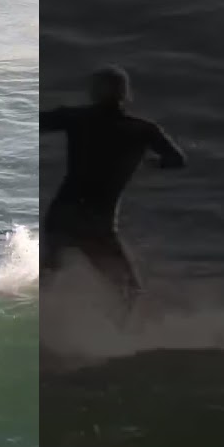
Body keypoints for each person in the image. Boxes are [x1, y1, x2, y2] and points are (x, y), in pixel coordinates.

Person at [41, 65, 187, 308]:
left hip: (62, 215)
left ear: (93, 93)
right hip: (98, 222)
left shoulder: (75, 118)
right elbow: (177, 160)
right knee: (129, 290)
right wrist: (154, 163)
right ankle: (119, 339)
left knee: (47, 278)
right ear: (125, 93)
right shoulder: (143, 129)